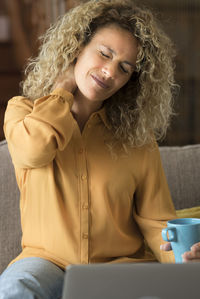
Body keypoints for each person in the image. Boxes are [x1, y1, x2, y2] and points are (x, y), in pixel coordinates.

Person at [0, 0, 200, 298]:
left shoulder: (137, 139)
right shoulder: (23, 113)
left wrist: (184, 259)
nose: (109, 72)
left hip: (120, 268)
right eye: (104, 54)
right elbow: (33, 151)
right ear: (77, 48)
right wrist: (62, 91)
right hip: (45, 262)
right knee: (15, 288)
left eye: (124, 67)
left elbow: (156, 222)